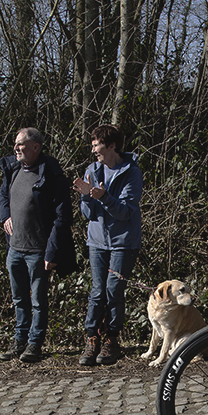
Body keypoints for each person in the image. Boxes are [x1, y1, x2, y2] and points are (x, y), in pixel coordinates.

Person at [0, 127, 73, 363]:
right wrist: (5, 217)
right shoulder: (12, 170)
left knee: (39, 301)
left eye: (21, 144)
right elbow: (2, 197)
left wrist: (52, 252)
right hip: (15, 249)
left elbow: (63, 218)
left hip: (38, 251)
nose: (16, 148)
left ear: (36, 147)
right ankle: (19, 339)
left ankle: (34, 344)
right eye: (16, 144)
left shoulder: (51, 176)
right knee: (19, 298)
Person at [73, 124, 143, 366]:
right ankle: (91, 338)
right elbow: (87, 214)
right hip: (97, 242)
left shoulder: (131, 172)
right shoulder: (92, 170)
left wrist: (103, 196)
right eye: (92, 145)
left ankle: (112, 339)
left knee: (114, 290)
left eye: (97, 145)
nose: (93, 150)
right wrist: (85, 195)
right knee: (97, 291)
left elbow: (125, 212)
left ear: (112, 145)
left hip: (123, 243)